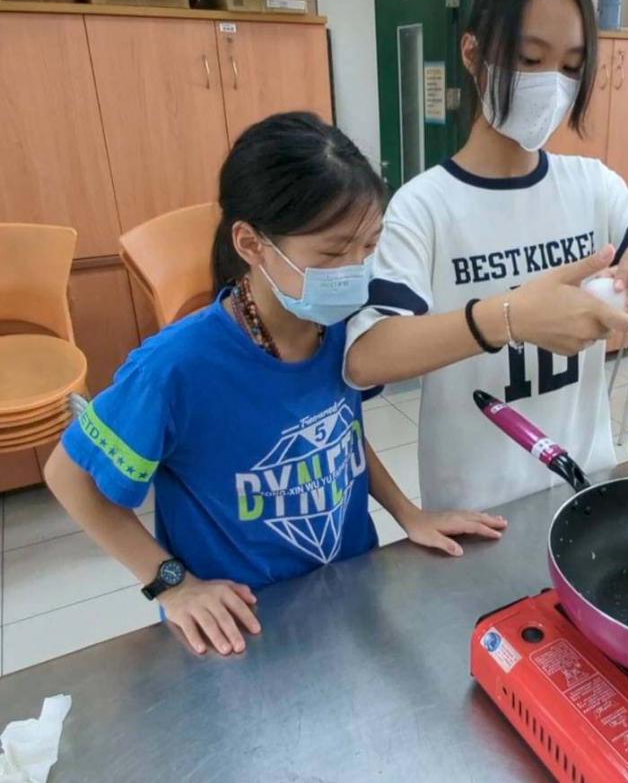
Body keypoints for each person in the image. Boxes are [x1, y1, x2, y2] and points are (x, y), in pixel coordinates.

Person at [43, 112, 507, 658]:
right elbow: (69, 476)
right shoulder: (176, 368)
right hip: (248, 622)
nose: (355, 270)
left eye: (369, 246)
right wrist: (173, 583)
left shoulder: (339, 330)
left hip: (347, 589)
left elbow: (338, 430)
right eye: (333, 253)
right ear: (251, 243)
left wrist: (409, 513)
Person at [345, 0, 628, 511]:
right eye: (528, 58)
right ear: (473, 53)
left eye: (570, 66)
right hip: (475, 505)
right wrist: (509, 317)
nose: (552, 86)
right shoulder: (424, 205)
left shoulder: (593, 185)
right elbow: (367, 358)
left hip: (584, 479)